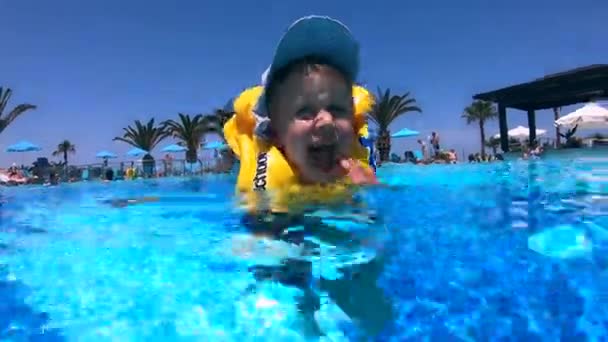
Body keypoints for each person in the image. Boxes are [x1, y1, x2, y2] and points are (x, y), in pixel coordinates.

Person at [222, 15, 391, 338]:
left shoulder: (354, 172)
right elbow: (255, 242)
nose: (326, 122)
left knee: (370, 304)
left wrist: (369, 199)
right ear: (276, 132)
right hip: (281, 234)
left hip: (329, 230)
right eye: (305, 112)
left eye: (338, 109)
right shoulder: (267, 179)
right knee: (281, 301)